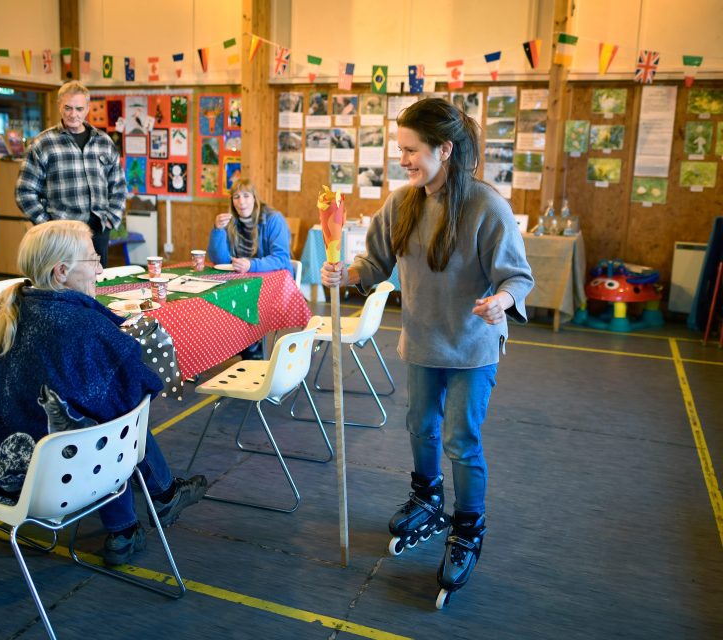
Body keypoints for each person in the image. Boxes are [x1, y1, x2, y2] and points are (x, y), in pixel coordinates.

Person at [320, 98, 533, 604]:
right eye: (400, 150)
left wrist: (501, 301)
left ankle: (468, 525)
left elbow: (518, 277)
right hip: (421, 343)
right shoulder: (402, 202)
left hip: (471, 348)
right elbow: (372, 264)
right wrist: (343, 274)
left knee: (461, 440)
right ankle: (427, 496)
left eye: (412, 150)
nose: (404, 160)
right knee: (420, 425)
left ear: (445, 148)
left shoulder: (486, 206)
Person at [0, 220, 206, 566]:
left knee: (96, 408)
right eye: (93, 260)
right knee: (112, 413)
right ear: (61, 271)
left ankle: (136, 519)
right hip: (65, 485)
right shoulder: (87, 328)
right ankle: (150, 505)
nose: (101, 268)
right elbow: (140, 399)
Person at [15, 81, 126, 267]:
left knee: (97, 286)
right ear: (59, 105)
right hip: (61, 233)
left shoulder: (104, 142)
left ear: (88, 109)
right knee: (63, 286)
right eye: (68, 108)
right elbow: (24, 192)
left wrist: (110, 221)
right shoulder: (43, 143)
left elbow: (119, 187)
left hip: (98, 230)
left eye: (79, 108)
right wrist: (48, 226)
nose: (73, 114)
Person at [207, 178, 292, 275]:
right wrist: (218, 230)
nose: (241, 202)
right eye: (236, 197)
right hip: (242, 279)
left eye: (246, 196)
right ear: (232, 202)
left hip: (274, 279)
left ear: (254, 198)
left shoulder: (274, 219)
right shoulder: (230, 222)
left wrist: (251, 265)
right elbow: (220, 261)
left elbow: (281, 258)